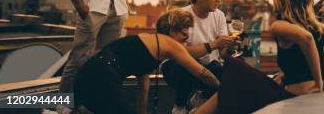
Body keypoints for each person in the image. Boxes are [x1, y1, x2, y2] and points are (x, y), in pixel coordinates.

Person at [193, 0, 324, 114]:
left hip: (289, 96)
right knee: (232, 84)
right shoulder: (318, 27)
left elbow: (305, 39)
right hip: (297, 94)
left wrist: (318, 82)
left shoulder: (280, 25)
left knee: (235, 74)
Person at [73, 9, 220, 114]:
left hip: (88, 74)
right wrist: (223, 88)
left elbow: (143, 86)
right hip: (103, 76)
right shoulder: (170, 44)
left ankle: (57, 104)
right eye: (184, 35)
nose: (185, 41)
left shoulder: (148, 42)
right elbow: (202, 74)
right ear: (171, 30)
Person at [161, 0, 237, 113]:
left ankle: (200, 99)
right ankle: (180, 107)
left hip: (207, 67)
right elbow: (178, 52)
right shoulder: (182, 15)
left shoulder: (219, 15)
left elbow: (223, 54)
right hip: (178, 66)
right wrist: (214, 44)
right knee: (186, 66)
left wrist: (230, 48)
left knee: (229, 74)